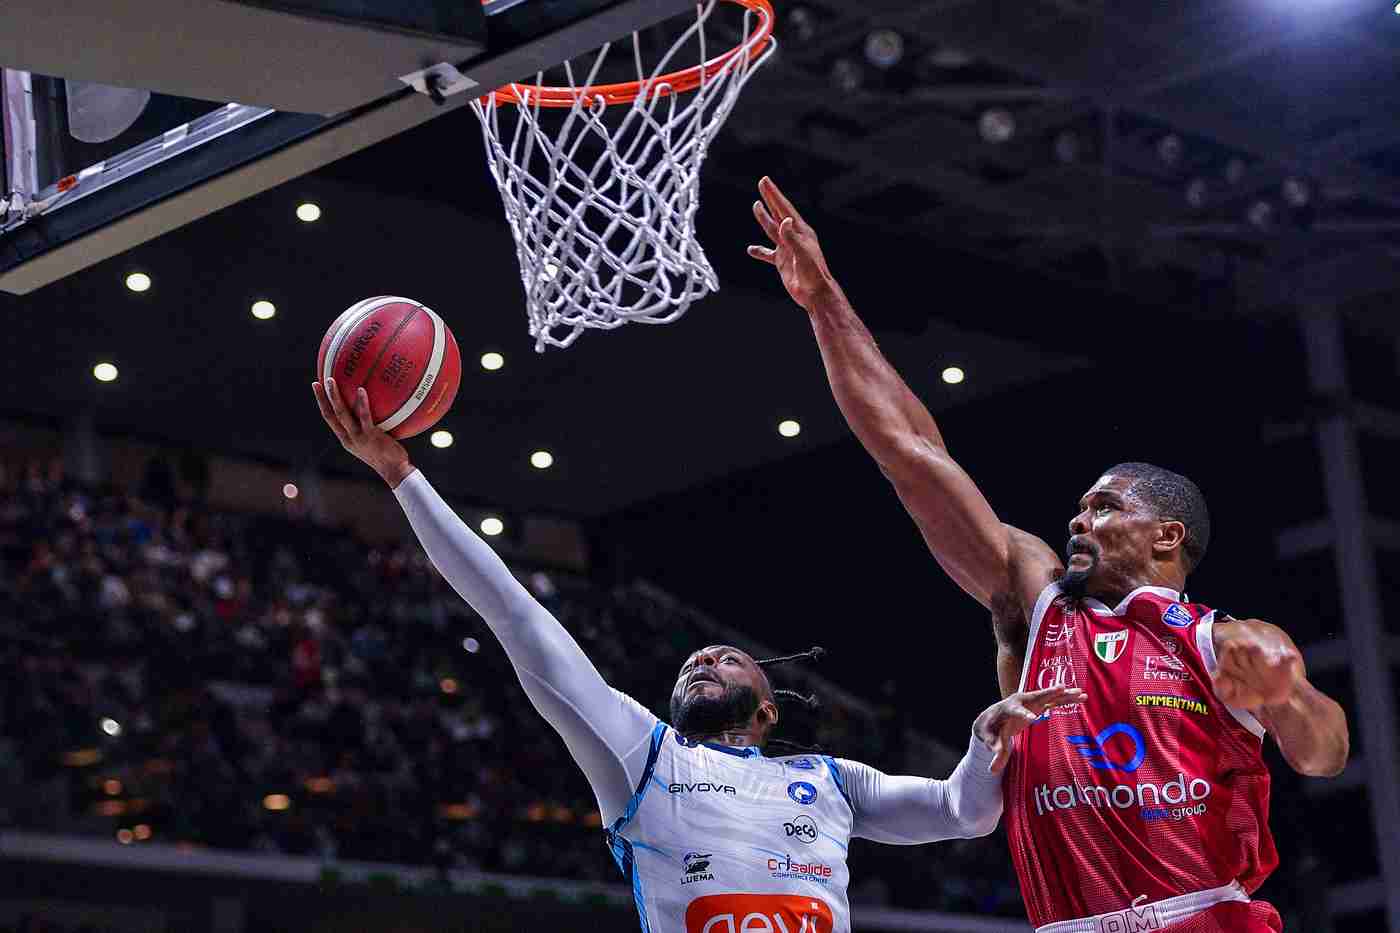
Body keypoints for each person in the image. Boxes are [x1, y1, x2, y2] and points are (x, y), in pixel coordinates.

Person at [746, 176, 1351, 933]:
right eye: (1079, 505)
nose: (1079, 516)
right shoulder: (1036, 598)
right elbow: (909, 453)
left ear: (1168, 535)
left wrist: (1288, 695)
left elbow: (1324, 753)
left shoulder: (1222, 639)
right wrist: (825, 302)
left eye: (1104, 505)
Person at [312, 377, 1082, 933]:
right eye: (694, 660)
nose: (704, 656)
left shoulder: (830, 781)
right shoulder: (638, 752)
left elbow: (966, 812)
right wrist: (401, 476)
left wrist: (987, 739)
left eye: (727, 656)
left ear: (771, 705)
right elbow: (516, 615)